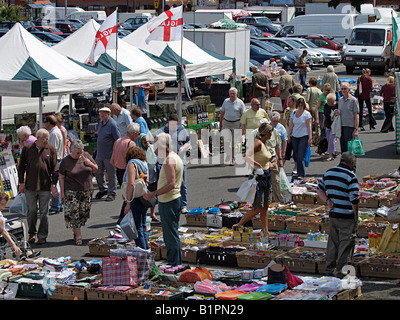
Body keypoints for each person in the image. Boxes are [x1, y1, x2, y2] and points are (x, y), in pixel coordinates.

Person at [143, 133, 184, 266]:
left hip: (169, 201)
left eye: (155, 148)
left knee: (170, 235)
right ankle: (175, 262)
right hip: (174, 198)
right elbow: (179, 181)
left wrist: (154, 193)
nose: (154, 151)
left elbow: (171, 183)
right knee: (173, 232)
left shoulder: (168, 161)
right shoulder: (175, 157)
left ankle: (174, 263)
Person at [317, 152, 359, 278]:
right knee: (345, 245)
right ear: (351, 163)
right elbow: (354, 199)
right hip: (346, 216)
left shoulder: (329, 172)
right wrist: (356, 216)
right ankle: (342, 272)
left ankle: (329, 271)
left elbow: (319, 189)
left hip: (333, 215)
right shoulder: (351, 176)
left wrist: (327, 201)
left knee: (333, 243)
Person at [18, 128, 59, 245]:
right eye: (44, 139)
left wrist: (53, 184)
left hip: (45, 186)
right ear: (38, 138)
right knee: (31, 211)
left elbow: (55, 168)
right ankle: (32, 233)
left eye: (47, 139)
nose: (47, 141)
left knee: (44, 212)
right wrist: (21, 182)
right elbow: (21, 167)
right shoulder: (28, 148)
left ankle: (42, 235)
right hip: (30, 185)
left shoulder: (51, 149)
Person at [233, 122, 274, 236]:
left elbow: (264, 158)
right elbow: (246, 156)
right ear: (266, 133)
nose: (272, 135)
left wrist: (268, 164)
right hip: (258, 177)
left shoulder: (265, 144)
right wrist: (258, 164)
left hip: (267, 176)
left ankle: (265, 230)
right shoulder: (258, 143)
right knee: (258, 207)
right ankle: (240, 224)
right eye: (271, 132)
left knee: (265, 206)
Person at [59, 140, 98, 246]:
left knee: (83, 213)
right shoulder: (66, 161)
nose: (80, 155)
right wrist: (62, 193)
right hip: (71, 190)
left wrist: (90, 164)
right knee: (74, 213)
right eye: (77, 153)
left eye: (81, 152)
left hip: (86, 188)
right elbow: (61, 177)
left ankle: (76, 230)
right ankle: (78, 235)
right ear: (71, 151)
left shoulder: (86, 156)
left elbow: (95, 168)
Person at [157, 114, 190, 214]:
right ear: (167, 123)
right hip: (166, 161)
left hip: (180, 160)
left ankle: (183, 205)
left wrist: (182, 148)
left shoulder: (182, 130)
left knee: (182, 183)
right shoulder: (161, 131)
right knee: (165, 182)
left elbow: (188, 142)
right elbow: (156, 145)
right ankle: (165, 203)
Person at [120, 146, 150, 250]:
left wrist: (128, 203)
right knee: (142, 226)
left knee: (137, 229)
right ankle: (146, 250)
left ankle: (142, 252)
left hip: (135, 198)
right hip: (144, 197)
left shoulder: (132, 164)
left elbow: (131, 184)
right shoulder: (144, 164)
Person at [94, 106, 121, 201]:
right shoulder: (101, 123)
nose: (101, 115)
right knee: (98, 172)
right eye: (100, 113)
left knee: (111, 174)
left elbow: (117, 139)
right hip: (100, 153)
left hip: (109, 154)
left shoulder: (112, 125)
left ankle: (112, 193)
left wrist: (115, 154)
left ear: (108, 114)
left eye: (103, 114)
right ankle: (103, 189)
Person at [287, 97, 312, 179]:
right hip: (295, 136)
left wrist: (310, 138)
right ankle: (298, 170)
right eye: (299, 105)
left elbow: (309, 126)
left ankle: (301, 174)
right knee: (296, 155)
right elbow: (291, 125)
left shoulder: (307, 114)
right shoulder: (294, 113)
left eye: (302, 105)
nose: (300, 106)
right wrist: (289, 135)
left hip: (304, 136)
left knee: (301, 156)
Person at [219, 87, 245, 166]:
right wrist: (220, 123)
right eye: (231, 94)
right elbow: (222, 113)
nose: (232, 95)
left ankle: (232, 159)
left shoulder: (240, 103)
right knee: (226, 142)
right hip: (226, 123)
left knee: (234, 143)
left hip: (236, 123)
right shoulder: (226, 101)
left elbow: (243, 115)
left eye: (233, 94)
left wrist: (242, 126)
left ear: (236, 94)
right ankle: (229, 155)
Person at [136, 133, 159, 222]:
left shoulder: (151, 148)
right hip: (144, 177)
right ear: (141, 142)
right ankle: (144, 215)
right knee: (144, 196)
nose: (147, 144)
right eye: (145, 142)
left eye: (148, 142)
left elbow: (156, 157)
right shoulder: (139, 151)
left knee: (153, 195)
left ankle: (152, 214)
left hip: (153, 175)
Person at [110, 123, 140, 188]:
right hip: (128, 172)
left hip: (119, 171)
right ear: (134, 133)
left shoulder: (117, 141)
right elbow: (134, 162)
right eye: (138, 134)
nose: (138, 136)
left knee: (124, 193)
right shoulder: (131, 144)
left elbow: (112, 160)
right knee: (131, 194)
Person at [44, 115, 63, 215]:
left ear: (49, 123)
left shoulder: (54, 133)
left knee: (54, 183)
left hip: (55, 160)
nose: (44, 124)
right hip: (57, 160)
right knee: (56, 183)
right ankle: (58, 205)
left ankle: (56, 205)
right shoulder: (55, 132)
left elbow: (53, 149)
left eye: (45, 122)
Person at [269, 111, 287, 203]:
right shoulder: (267, 127)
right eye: (273, 121)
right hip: (269, 153)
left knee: (276, 176)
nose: (275, 123)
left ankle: (278, 198)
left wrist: (283, 153)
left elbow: (284, 140)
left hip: (277, 152)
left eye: (276, 121)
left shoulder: (281, 128)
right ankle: (271, 196)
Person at [337, 82, 359, 153]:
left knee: (350, 148)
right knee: (343, 148)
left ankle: (352, 163)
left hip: (350, 126)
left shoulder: (353, 100)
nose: (343, 90)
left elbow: (356, 115)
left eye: (345, 89)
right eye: (342, 89)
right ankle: (344, 163)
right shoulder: (340, 100)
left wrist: (356, 129)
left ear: (349, 90)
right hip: (341, 126)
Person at [283, 95, 298, 174]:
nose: (288, 103)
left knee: (296, 152)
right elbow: (284, 121)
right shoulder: (287, 110)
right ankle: (281, 167)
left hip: (295, 134)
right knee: (285, 152)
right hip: (287, 134)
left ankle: (295, 167)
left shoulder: (297, 111)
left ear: (294, 102)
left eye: (289, 102)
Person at [323, 93, 339, 161]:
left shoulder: (337, 105)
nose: (328, 102)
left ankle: (330, 155)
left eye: (330, 101)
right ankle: (334, 151)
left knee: (332, 140)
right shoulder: (326, 105)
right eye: (327, 101)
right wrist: (323, 123)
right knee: (329, 139)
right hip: (328, 124)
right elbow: (325, 115)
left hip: (335, 125)